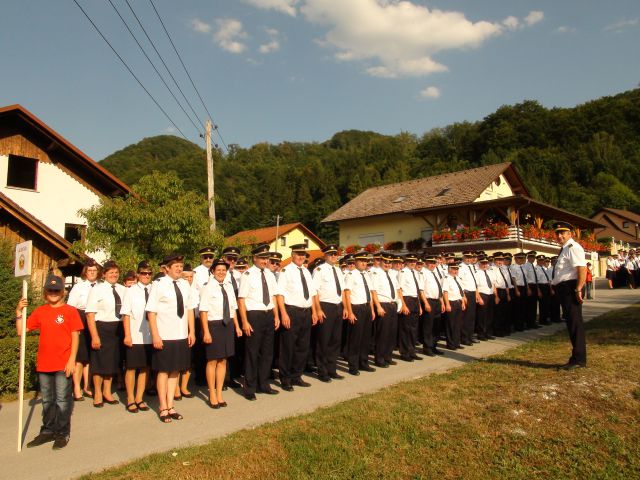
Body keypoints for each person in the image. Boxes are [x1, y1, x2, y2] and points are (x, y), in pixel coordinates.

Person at [15, 275, 83, 449]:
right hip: (44, 364)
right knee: (47, 400)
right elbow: (22, 331)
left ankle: (62, 433)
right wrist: (18, 313)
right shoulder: (40, 311)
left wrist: (72, 360)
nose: (53, 293)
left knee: (62, 400)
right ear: (46, 292)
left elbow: (75, 337)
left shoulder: (70, 311)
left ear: (62, 292)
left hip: (63, 364)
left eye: (56, 290)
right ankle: (47, 431)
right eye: (50, 290)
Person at [146, 254, 197, 422]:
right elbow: (151, 312)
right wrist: (155, 335)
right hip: (164, 335)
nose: (179, 269)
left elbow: (189, 309)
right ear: (166, 268)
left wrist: (192, 331)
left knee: (175, 370)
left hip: (181, 334)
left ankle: (171, 405)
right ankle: (163, 407)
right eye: (175, 266)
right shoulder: (158, 284)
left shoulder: (184, 284)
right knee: (163, 371)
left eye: (181, 266)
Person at [237, 244, 281, 401]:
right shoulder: (247, 275)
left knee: (267, 352)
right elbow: (241, 300)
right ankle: (250, 387)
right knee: (252, 353)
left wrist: (276, 316)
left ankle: (264, 384)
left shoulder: (269, 274)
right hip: (254, 316)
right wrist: (245, 322)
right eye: (262, 258)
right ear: (254, 258)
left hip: (268, 314)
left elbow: (274, 297)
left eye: (266, 258)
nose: (265, 260)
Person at [199, 258, 242, 408]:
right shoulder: (208, 287)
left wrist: (236, 326)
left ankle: (219, 393)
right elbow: (203, 311)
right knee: (212, 361)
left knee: (223, 360)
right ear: (212, 271)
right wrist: (206, 332)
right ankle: (212, 394)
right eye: (218, 270)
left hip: (227, 325)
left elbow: (233, 309)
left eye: (224, 270)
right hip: (213, 325)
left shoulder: (229, 286)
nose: (221, 272)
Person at [276, 244, 319, 390]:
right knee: (288, 346)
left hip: (306, 312)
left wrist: (314, 311)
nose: (301, 257)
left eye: (303, 254)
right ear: (292, 255)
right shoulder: (285, 271)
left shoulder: (306, 272)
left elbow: (312, 294)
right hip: (291, 311)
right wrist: (284, 314)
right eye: (299, 254)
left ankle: (296, 375)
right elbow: (280, 294)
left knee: (302, 346)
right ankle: (285, 378)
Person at [85, 260, 126, 408]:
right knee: (99, 363)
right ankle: (97, 393)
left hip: (118, 328)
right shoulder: (97, 289)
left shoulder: (123, 289)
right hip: (101, 327)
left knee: (112, 363)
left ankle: (107, 392)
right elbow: (90, 314)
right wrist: (95, 336)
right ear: (104, 275)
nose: (114, 275)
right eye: (111, 273)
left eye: (116, 272)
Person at [550, 222, 587, 369]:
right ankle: (577, 357)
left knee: (575, 323)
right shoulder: (565, 249)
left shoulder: (573, 247)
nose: (559, 236)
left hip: (570, 288)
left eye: (563, 233)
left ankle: (578, 359)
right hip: (564, 289)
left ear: (570, 234)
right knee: (571, 323)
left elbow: (582, 268)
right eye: (557, 233)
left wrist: (578, 288)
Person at [120, 261, 154, 413]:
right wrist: (127, 335)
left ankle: (140, 398)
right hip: (135, 335)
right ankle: (130, 398)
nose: (146, 276)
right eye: (143, 273)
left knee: (145, 368)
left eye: (149, 273)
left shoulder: (154, 289)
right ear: (138, 274)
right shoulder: (131, 291)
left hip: (150, 336)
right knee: (132, 368)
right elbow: (126, 314)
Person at [66, 259, 101, 401]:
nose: (92, 273)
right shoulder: (78, 287)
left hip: (95, 319)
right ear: (85, 273)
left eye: (94, 270)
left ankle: (87, 386)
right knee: (80, 357)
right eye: (90, 271)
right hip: (80, 317)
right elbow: (70, 308)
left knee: (90, 356)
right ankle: (76, 387)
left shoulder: (101, 286)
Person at [312, 244, 346, 381]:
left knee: (335, 340)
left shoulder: (338, 270)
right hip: (325, 307)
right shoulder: (319, 270)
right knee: (324, 340)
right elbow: (314, 292)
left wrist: (345, 308)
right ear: (325, 256)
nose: (334, 256)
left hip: (337, 306)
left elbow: (342, 291)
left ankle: (332, 369)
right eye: (331, 254)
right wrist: (318, 309)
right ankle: (322, 371)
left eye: (335, 254)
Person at [343, 251, 376, 375]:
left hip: (367, 307)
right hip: (356, 308)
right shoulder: (351, 275)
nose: (364, 263)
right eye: (361, 261)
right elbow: (347, 294)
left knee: (365, 337)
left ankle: (363, 362)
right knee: (355, 338)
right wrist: (350, 312)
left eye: (365, 261)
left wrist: (372, 309)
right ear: (355, 262)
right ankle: (353, 366)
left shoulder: (367, 274)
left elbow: (371, 294)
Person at [371, 251, 402, 367]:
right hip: (383, 305)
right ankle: (379, 359)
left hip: (392, 305)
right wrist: (378, 306)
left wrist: (399, 303)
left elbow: (397, 289)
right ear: (381, 261)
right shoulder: (375, 273)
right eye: (385, 262)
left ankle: (388, 356)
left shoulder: (392, 274)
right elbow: (373, 291)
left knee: (391, 333)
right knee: (382, 334)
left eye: (389, 262)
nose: (388, 264)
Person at [396, 254, 425, 361]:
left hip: (415, 300)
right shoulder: (402, 272)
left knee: (414, 328)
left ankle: (412, 351)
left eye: (414, 261)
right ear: (406, 262)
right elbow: (399, 290)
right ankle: (404, 352)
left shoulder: (416, 273)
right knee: (405, 328)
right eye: (410, 261)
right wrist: (403, 304)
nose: (413, 263)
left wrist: (419, 306)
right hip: (406, 299)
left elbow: (417, 291)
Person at [442, 262, 466, 350]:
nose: (456, 271)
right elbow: (445, 292)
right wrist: (447, 304)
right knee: (450, 324)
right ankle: (451, 344)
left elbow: (461, 291)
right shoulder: (446, 279)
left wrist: (463, 302)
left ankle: (457, 342)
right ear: (449, 269)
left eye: (457, 269)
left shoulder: (458, 278)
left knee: (458, 324)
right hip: (451, 302)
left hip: (458, 302)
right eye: (454, 269)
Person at [458, 251, 479, 345]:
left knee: (471, 316)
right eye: (467, 257)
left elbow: (474, 282)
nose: (469, 259)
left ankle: (470, 336)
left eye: (470, 257)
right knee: (466, 317)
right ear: (463, 257)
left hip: (473, 292)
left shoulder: (471, 266)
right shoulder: (461, 267)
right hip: (466, 293)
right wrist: (463, 296)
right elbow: (460, 283)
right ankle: (464, 338)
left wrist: (477, 294)